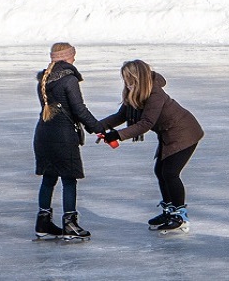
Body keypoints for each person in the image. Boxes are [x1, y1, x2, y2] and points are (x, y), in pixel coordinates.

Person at [98, 60, 204, 234]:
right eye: (124, 78)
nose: (126, 82)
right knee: (160, 171)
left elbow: (146, 123)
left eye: (128, 78)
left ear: (137, 77)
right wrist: (95, 125)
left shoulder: (155, 94)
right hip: (168, 134)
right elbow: (121, 116)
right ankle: (169, 211)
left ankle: (180, 216)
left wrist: (117, 135)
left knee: (170, 173)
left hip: (185, 133)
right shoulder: (135, 93)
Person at [33, 43, 103, 240]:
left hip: (43, 134)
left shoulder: (44, 79)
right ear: (70, 56)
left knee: (49, 178)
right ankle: (70, 224)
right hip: (62, 136)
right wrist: (98, 128)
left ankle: (43, 222)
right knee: (68, 179)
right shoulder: (68, 79)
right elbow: (79, 109)